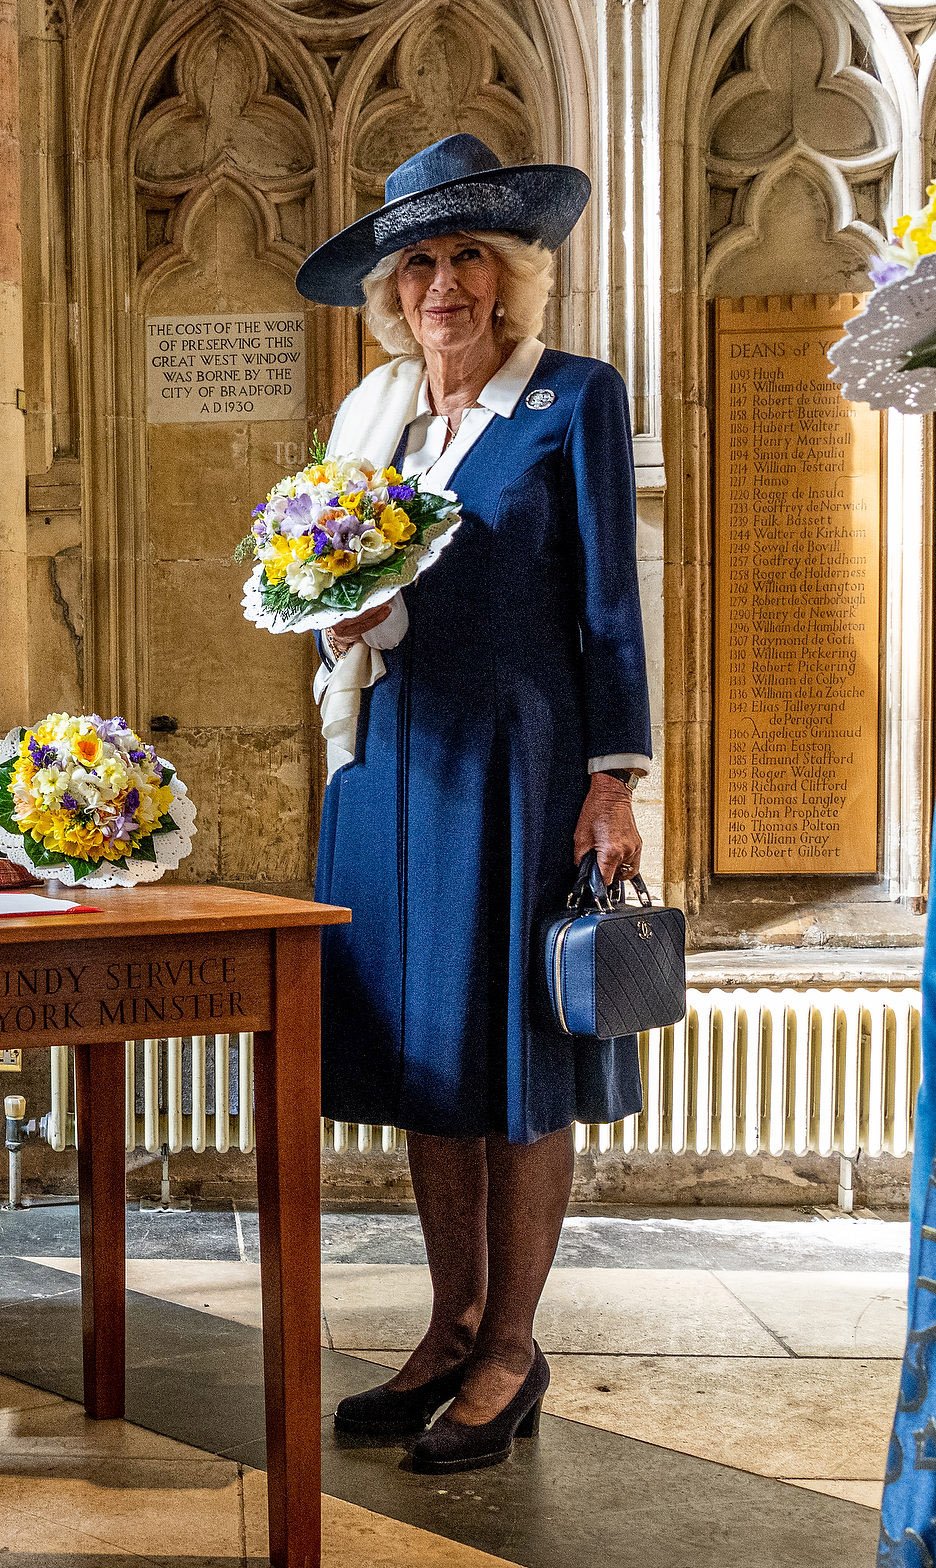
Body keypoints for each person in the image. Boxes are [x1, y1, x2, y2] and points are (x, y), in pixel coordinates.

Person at [296, 134, 652, 1474]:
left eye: (467, 259)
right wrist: (342, 626)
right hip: (387, 768)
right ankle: (449, 1327)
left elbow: (610, 603)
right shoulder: (371, 420)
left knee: (516, 1058)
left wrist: (612, 779)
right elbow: (314, 596)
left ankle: (514, 1345)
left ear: (508, 277)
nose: (443, 284)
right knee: (424, 1063)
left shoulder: (573, 402)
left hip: (522, 764)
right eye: (421, 263)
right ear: (395, 291)